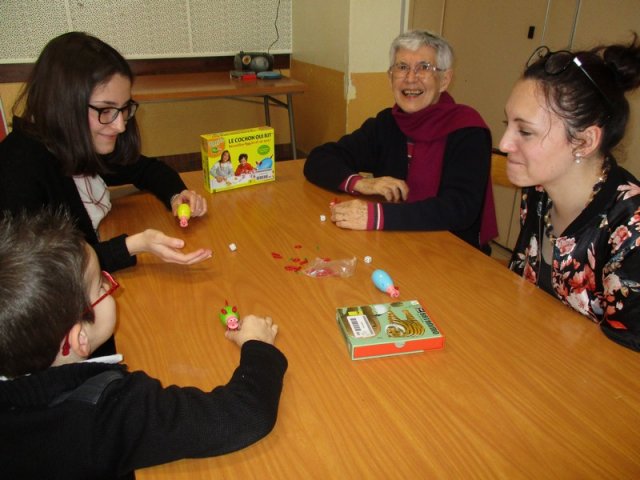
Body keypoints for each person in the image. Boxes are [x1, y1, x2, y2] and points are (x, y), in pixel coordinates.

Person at [0, 209, 288, 479]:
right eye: (102, 286)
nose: (109, 284)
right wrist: (258, 346)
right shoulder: (107, 413)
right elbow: (244, 415)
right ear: (78, 340)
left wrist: (137, 243)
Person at [0, 32, 211, 274]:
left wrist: (176, 195)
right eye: (105, 109)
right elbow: (46, 272)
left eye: (123, 109)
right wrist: (134, 245)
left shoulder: (75, 141)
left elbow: (146, 169)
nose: (120, 125)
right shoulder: (19, 168)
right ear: (63, 104)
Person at [500, 35, 640, 351]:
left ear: (585, 141)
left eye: (525, 131)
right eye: (507, 124)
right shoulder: (538, 191)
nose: (505, 143)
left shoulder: (632, 231)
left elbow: (626, 369)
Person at [303, 30, 497, 250]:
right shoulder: (387, 123)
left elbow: (458, 209)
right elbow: (319, 159)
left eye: (424, 68)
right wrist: (361, 183)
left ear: (444, 80)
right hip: (395, 243)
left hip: (453, 253)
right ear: (390, 78)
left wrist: (377, 215)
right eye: (402, 67)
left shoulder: (468, 130)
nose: (411, 78)